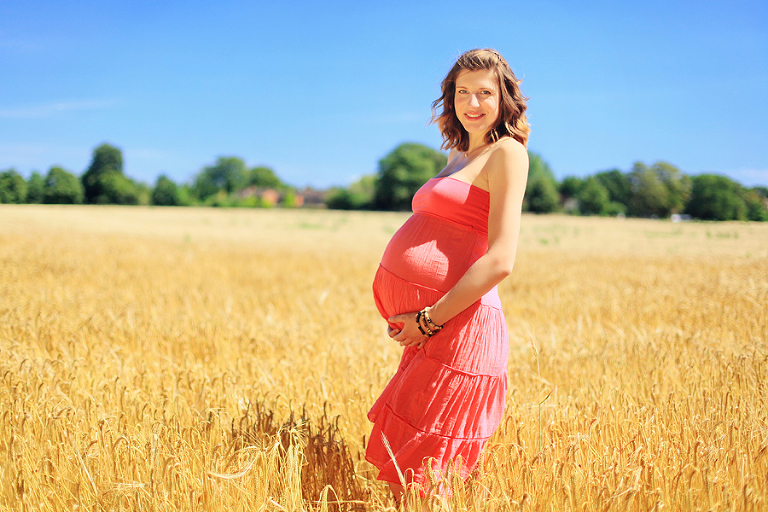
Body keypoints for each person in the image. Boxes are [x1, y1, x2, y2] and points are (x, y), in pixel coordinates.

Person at [365, 48, 530, 500]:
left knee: (431, 475)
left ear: (504, 99)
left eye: (484, 93)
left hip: (460, 327)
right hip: (433, 330)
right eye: (462, 92)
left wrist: (429, 319)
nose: (471, 104)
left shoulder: (507, 154)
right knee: (411, 473)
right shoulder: (460, 153)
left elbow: (501, 259)